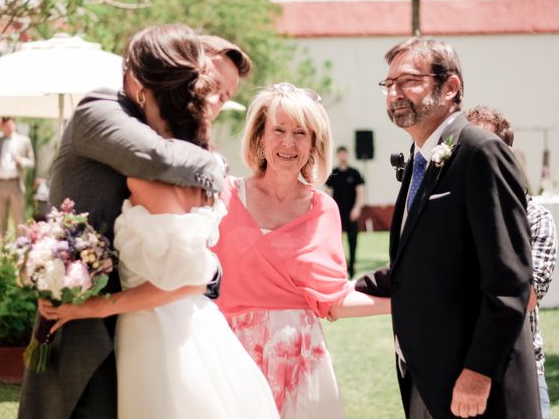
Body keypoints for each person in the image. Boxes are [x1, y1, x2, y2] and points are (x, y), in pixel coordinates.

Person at [35, 23, 278, 419]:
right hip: (87, 317)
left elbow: (194, 265)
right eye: (210, 83)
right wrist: (216, 166)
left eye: (226, 95)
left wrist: (207, 269)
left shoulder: (182, 152)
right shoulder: (102, 109)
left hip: (146, 320)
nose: (214, 99)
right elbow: (155, 159)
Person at [355, 37, 540, 418]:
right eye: (388, 84)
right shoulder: (419, 160)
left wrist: (478, 372)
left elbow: (509, 281)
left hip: (477, 388)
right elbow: (423, 263)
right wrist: (342, 288)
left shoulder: (481, 152)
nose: (394, 93)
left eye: (408, 81)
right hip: (430, 379)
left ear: (451, 87)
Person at [213, 82, 391, 419]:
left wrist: (409, 303)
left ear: (314, 144)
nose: (288, 143)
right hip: (232, 355)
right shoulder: (223, 197)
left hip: (302, 362)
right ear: (259, 138)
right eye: (278, 130)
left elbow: (334, 300)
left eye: (301, 133)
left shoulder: (324, 209)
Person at [466, 105, 557, 419]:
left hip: (519, 365)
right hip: (457, 366)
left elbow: (525, 297)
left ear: (504, 154)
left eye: (481, 146)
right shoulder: (451, 215)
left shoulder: (536, 219)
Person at [326, 146, 365, 278]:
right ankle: (342, 266)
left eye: (344, 154)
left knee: (352, 240)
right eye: (340, 154)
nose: (342, 156)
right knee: (337, 241)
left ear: (347, 155)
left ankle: (352, 266)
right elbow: (329, 194)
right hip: (337, 214)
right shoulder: (333, 173)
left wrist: (357, 208)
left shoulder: (354, 173)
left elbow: (360, 192)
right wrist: (330, 212)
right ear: (337, 156)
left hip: (351, 213)